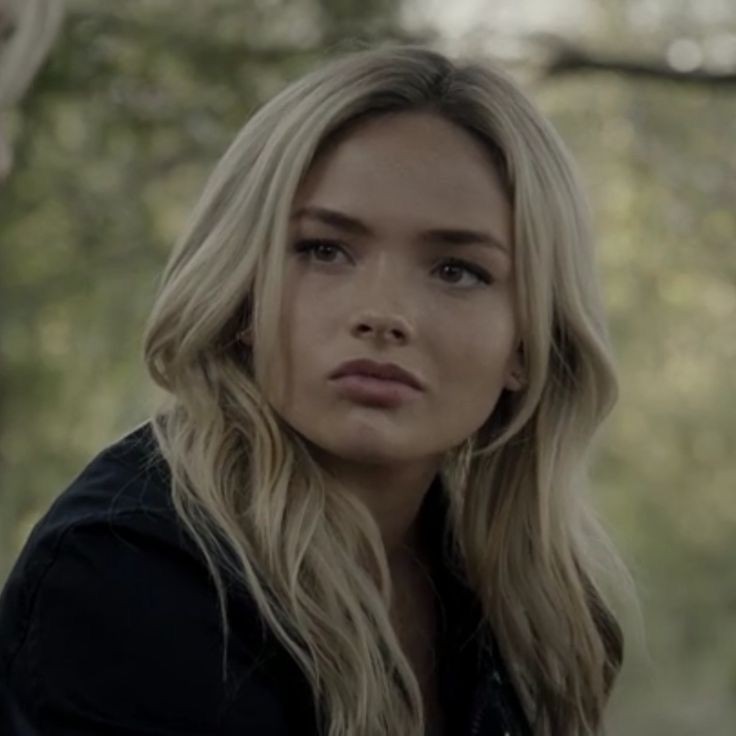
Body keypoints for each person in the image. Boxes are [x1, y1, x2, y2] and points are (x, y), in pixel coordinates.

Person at [0, 44, 629, 735]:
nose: (383, 314)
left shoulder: (518, 600)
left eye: (457, 271)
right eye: (323, 250)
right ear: (242, 293)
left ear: (527, 342)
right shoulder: (123, 574)